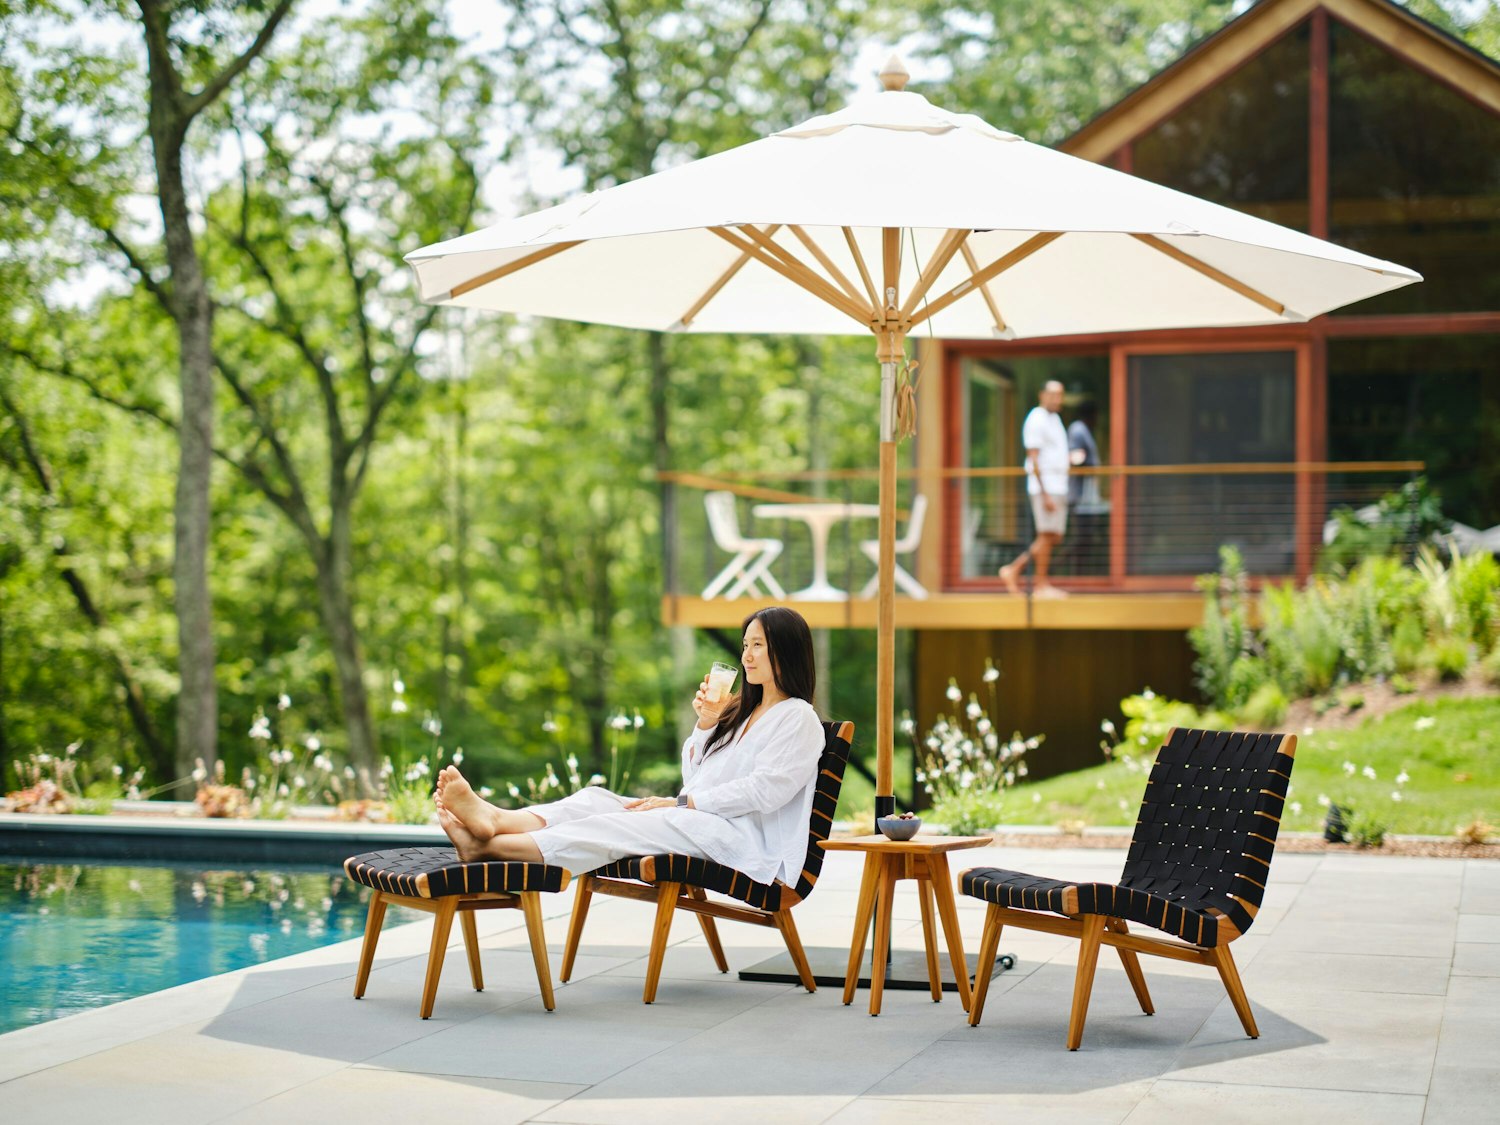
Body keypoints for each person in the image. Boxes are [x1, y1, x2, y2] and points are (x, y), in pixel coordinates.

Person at [432, 606, 826, 886]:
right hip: (704, 822)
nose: (746, 656)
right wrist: (707, 725)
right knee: (596, 800)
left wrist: (679, 804)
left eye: (757, 645)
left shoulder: (798, 718)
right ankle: (496, 821)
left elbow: (765, 792)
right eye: (744, 645)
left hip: (746, 844)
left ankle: (492, 849)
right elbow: (697, 777)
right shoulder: (741, 711)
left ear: (786, 650)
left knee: (617, 825)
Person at [998, 379, 1069, 597]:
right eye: (1053, 394)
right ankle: (1028, 578)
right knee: (1046, 535)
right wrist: (1045, 493)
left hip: (1058, 485)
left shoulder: (1055, 419)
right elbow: (1034, 458)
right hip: (1046, 487)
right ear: (1042, 395)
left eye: (1060, 395)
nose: (1057, 399)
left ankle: (1029, 577)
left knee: (1053, 536)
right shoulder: (1036, 418)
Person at [1067, 399, 1104, 573]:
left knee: (1086, 537)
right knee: (1082, 537)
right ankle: (1064, 570)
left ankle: (1077, 572)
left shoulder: (1084, 431)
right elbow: (1074, 457)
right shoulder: (1078, 430)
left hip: (1088, 495)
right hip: (1080, 495)